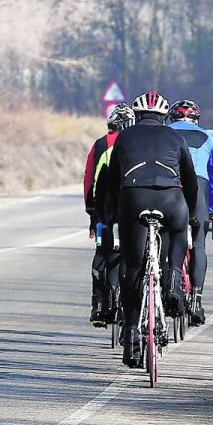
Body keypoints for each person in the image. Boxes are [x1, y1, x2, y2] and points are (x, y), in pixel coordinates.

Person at [104, 91, 198, 368]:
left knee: (132, 268)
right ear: (164, 116)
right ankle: (170, 280)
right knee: (178, 233)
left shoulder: (124, 137)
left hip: (133, 199)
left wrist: (111, 213)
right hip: (171, 199)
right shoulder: (176, 138)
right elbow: (190, 181)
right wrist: (190, 214)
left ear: (138, 113)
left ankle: (132, 335)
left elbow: (110, 179)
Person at [167, 99, 213, 326]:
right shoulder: (207, 138)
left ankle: (168, 287)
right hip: (198, 191)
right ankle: (196, 300)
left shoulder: (165, 133)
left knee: (168, 238)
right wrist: (212, 209)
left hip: (171, 188)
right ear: (196, 119)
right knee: (198, 245)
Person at [83, 103, 136, 326]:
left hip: (104, 213)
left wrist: (91, 210)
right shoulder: (136, 142)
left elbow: (89, 179)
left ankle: (99, 304)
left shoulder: (101, 144)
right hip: (132, 210)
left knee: (102, 253)